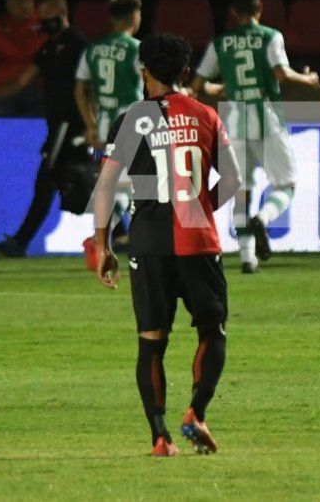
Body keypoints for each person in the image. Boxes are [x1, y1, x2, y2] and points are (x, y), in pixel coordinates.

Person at [93, 33, 243, 457]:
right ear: (185, 72)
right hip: (198, 238)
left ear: (144, 71)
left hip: (148, 241)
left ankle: (160, 438)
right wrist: (201, 207)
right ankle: (195, 412)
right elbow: (233, 180)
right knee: (212, 332)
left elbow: (104, 187)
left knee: (151, 340)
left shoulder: (131, 119)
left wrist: (102, 244)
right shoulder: (206, 115)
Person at [190, 0, 320, 274]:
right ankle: (263, 218)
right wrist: (309, 80)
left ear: (233, 12)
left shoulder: (220, 43)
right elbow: (280, 73)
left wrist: (224, 87)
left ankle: (248, 257)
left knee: (241, 190)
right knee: (286, 185)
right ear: (260, 8)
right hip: (267, 117)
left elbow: (198, 86)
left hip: (233, 120)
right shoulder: (271, 36)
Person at [0, 0, 95, 257]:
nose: (43, 23)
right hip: (57, 125)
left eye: (47, 18)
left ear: (61, 14)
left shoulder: (78, 44)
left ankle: (19, 242)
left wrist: (90, 123)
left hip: (70, 125)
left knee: (48, 183)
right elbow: (22, 82)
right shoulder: (47, 49)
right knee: (82, 182)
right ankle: (122, 234)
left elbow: (90, 87)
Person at [74, 0, 143, 255]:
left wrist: (90, 124)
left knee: (122, 185)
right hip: (131, 123)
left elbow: (80, 89)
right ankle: (102, 238)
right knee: (141, 182)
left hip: (104, 126)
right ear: (134, 17)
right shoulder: (137, 49)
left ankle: (104, 237)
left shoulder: (92, 50)